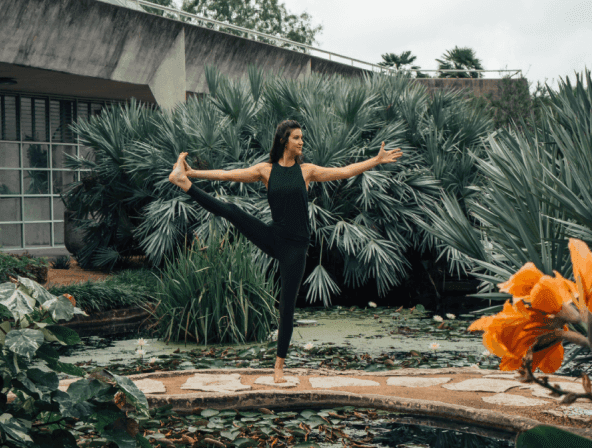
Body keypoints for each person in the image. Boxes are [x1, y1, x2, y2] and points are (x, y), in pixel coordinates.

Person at [168, 119, 403, 383]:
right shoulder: (265, 170)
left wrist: (376, 160)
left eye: (302, 137)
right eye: (296, 137)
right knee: (232, 211)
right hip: (274, 237)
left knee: (287, 307)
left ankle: (278, 367)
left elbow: (345, 171)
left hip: (296, 248)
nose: (302, 141)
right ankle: (183, 183)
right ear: (284, 140)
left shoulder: (307, 171)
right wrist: (192, 174)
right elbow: (227, 174)